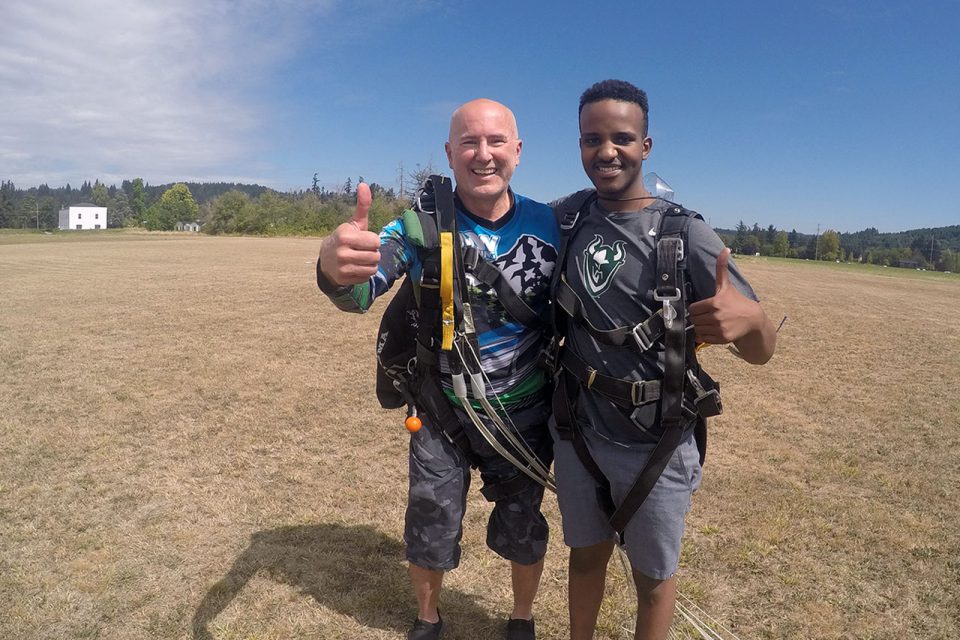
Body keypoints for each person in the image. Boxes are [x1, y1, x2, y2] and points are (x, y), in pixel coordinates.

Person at [316, 99, 559, 640]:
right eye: (469, 142)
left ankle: (521, 618)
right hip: (439, 412)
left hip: (522, 414)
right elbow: (359, 291)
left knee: (525, 527)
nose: (483, 154)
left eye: (496, 141)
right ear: (450, 153)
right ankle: (428, 619)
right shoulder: (416, 227)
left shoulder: (552, 225)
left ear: (517, 151)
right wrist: (333, 269)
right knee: (429, 522)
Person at [549, 80, 777, 640]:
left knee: (653, 577)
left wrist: (751, 323)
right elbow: (496, 218)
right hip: (578, 433)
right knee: (584, 556)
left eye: (622, 138)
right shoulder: (567, 218)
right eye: (591, 139)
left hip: (656, 443)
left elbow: (762, 350)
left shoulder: (684, 233)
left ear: (646, 146)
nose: (606, 151)